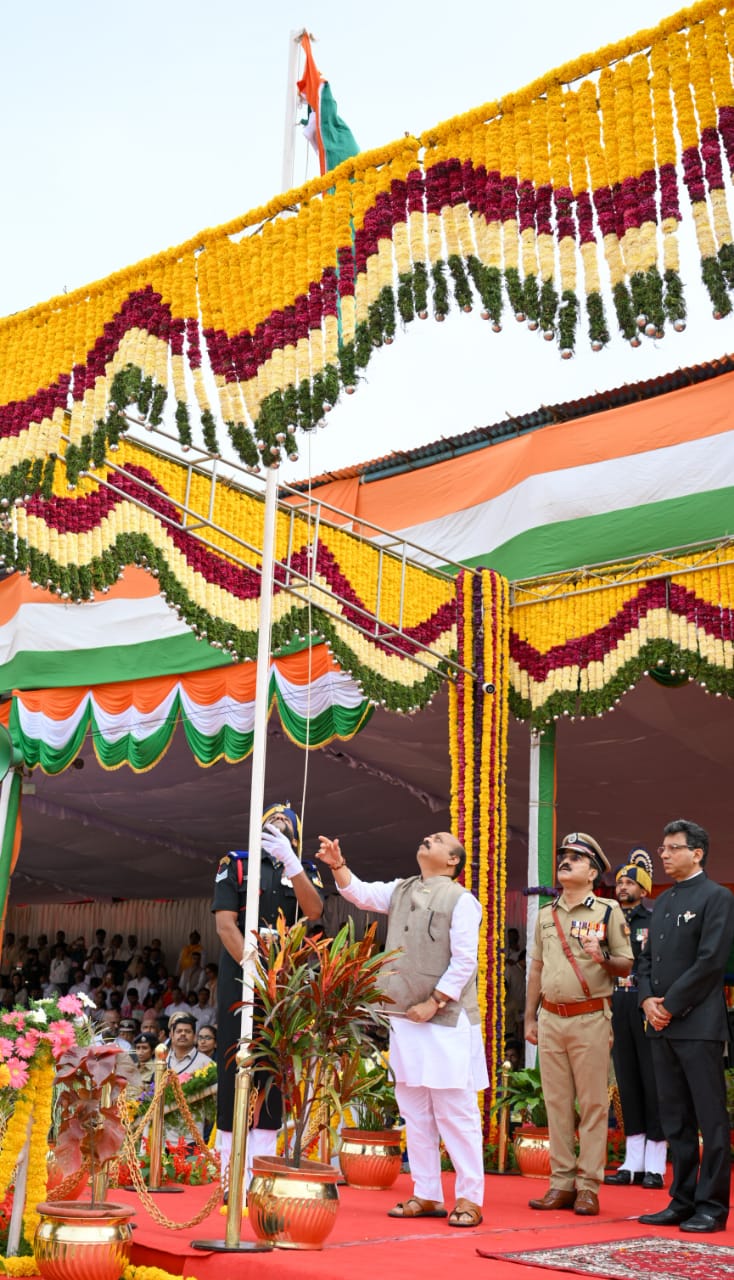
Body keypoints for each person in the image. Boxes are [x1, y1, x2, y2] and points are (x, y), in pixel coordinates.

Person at [317, 829, 488, 1229]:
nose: (428, 837)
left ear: (453, 861)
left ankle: (470, 1197)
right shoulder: (402, 888)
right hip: (404, 1016)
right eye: (428, 836)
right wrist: (338, 866)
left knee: (456, 1112)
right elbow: (359, 893)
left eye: (439, 839)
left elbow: (465, 961)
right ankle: (427, 1193)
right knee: (414, 1110)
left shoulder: (462, 900)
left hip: (446, 1020)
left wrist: (435, 1002)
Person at [524, 832, 633, 1217]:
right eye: (564, 856)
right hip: (551, 1017)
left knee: (592, 1105)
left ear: (592, 873)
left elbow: (626, 964)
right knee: (555, 1104)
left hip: (590, 1017)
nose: (566, 861)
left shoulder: (608, 910)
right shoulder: (545, 914)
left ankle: (588, 1186)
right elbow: (536, 968)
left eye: (577, 857)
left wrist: (602, 958)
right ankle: (561, 1183)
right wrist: (529, 1016)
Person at [212, 802, 323, 1177]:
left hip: (283, 981)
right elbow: (225, 925)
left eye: (285, 821)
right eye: (271, 819)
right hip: (240, 976)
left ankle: (262, 1169)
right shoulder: (236, 864)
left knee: (274, 1068)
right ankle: (230, 1172)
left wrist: (292, 862)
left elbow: (314, 911)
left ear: (296, 835)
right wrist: (253, 967)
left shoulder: (304, 870)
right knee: (234, 1063)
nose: (278, 823)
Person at [637, 819, 734, 1235]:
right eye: (662, 848)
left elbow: (711, 962)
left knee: (710, 1119)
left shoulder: (717, 897)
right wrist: (646, 1000)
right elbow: (645, 960)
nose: (664, 854)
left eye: (672, 848)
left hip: (698, 1025)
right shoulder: (662, 903)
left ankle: (712, 1206)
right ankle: (682, 1199)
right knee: (675, 1118)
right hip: (661, 1025)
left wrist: (670, 1006)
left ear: (697, 853)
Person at [604, 849, 666, 1189]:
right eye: (619, 883)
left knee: (652, 1082)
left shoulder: (654, 920)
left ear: (643, 889)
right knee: (626, 1082)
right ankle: (633, 1162)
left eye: (629, 883)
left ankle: (655, 1164)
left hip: (644, 1005)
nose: (622, 888)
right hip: (616, 1003)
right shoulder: (608, 920)